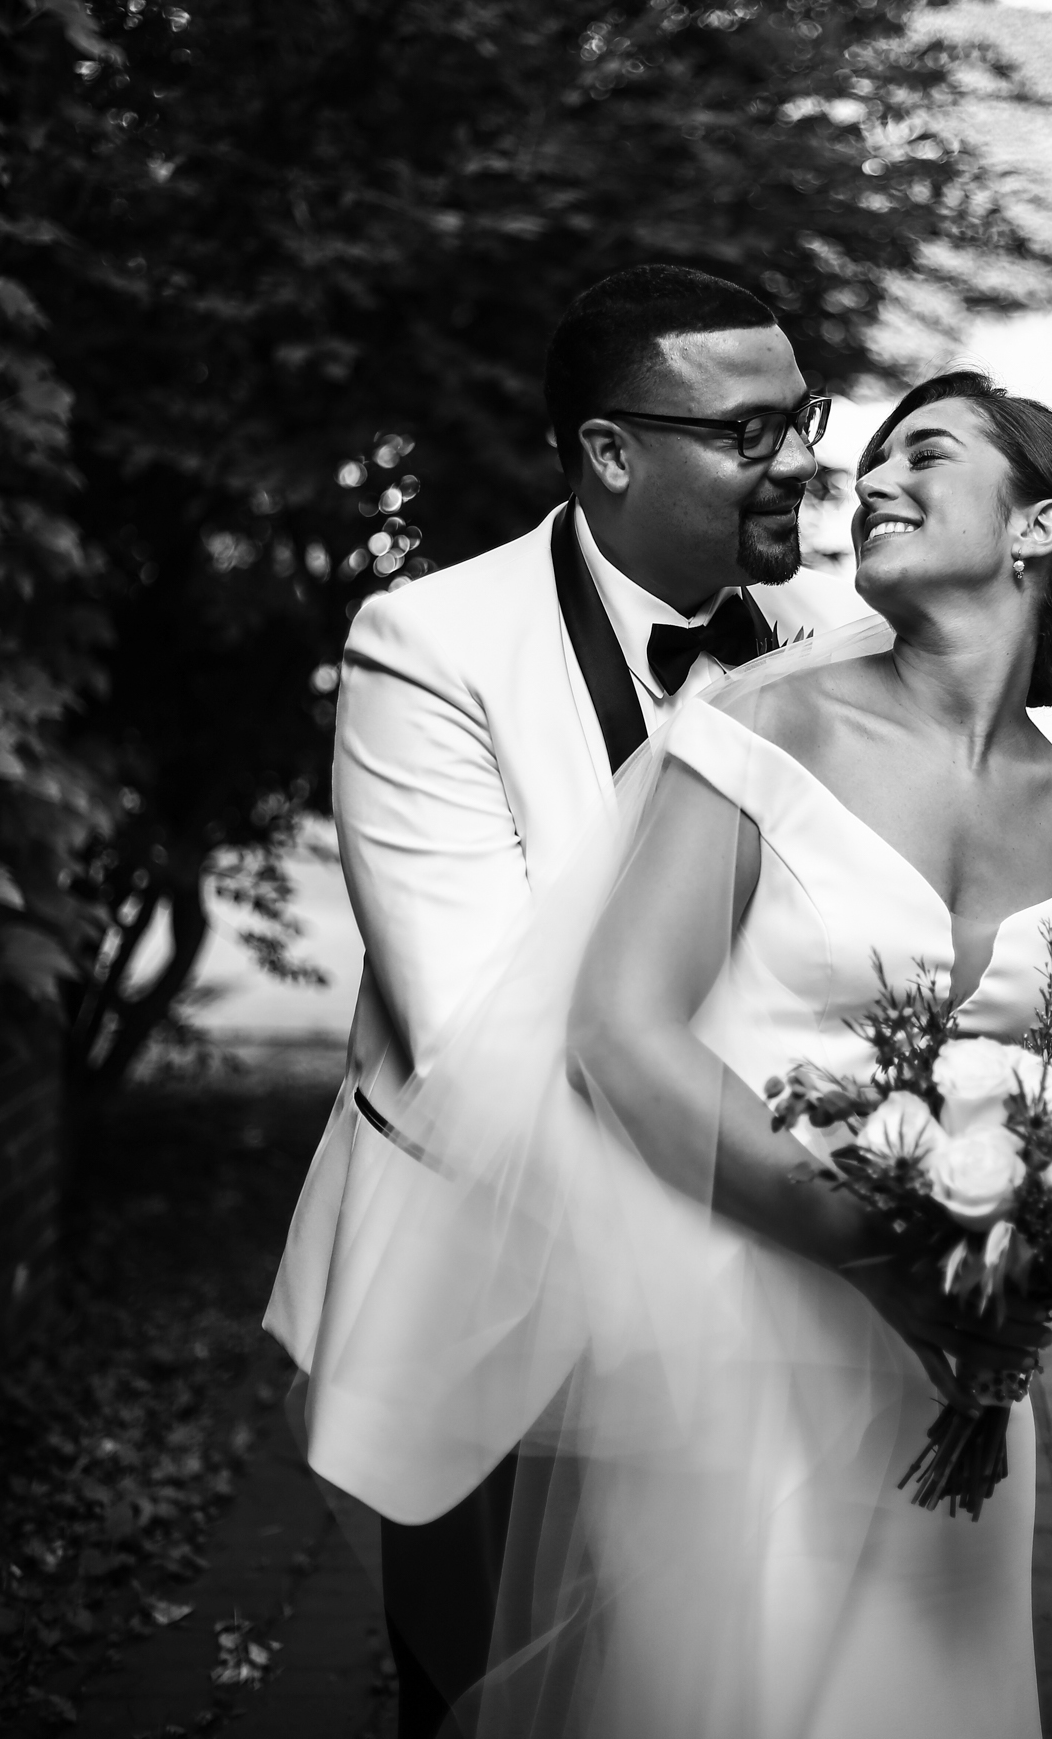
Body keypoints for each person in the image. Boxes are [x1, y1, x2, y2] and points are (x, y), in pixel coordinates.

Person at [295, 368, 1052, 1736]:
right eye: (858, 461)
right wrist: (878, 1254)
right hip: (722, 1330)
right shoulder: (758, 725)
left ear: (1036, 530)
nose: (863, 482)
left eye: (917, 456)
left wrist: (1004, 1317)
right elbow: (602, 1030)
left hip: (939, 1368)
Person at [268, 263, 889, 1736]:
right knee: (486, 1698)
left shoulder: (834, 642)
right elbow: (474, 1032)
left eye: (801, 414)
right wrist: (805, 1220)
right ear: (611, 454)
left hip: (761, 1323)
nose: (802, 458)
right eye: (749, 432)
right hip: (489, 1295)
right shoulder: (428, 646)